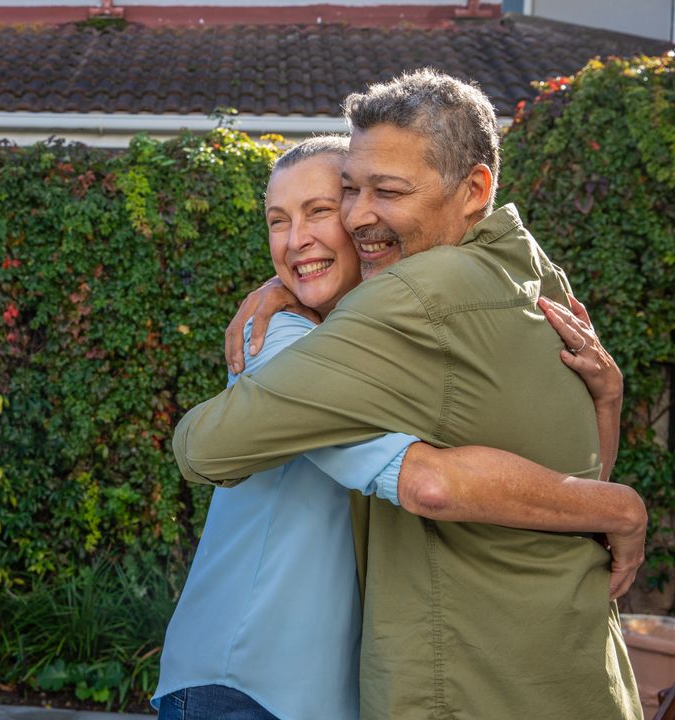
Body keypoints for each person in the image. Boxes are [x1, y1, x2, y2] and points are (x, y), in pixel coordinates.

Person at [172, 70, 643, 718]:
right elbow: (433, 481)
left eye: (323, 209)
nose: (303, 236)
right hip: (250, 682)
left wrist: (607, 418)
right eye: (278, 221)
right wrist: (615, 507)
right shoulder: (289, 336)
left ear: (472, 190)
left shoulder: (414, 313)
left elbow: (565, 475)